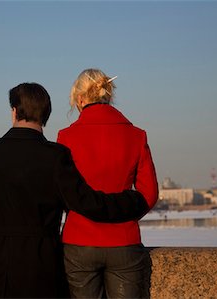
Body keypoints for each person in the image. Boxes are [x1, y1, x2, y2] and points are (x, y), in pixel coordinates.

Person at [0, 82, 151, 298]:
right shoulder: (55, 156)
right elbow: (86, 203)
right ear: (46, 114)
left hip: (0, 262)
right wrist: (133, 201)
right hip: (44, 259)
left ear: (14, 112)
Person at [57, 69, 159, 298]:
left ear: (81, 99)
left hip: (78, 240)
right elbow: (149, 194)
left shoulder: (66, 137)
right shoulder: (136, 135)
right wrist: (122, 214)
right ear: (107, 96)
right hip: (124, 240)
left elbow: (61, 192)